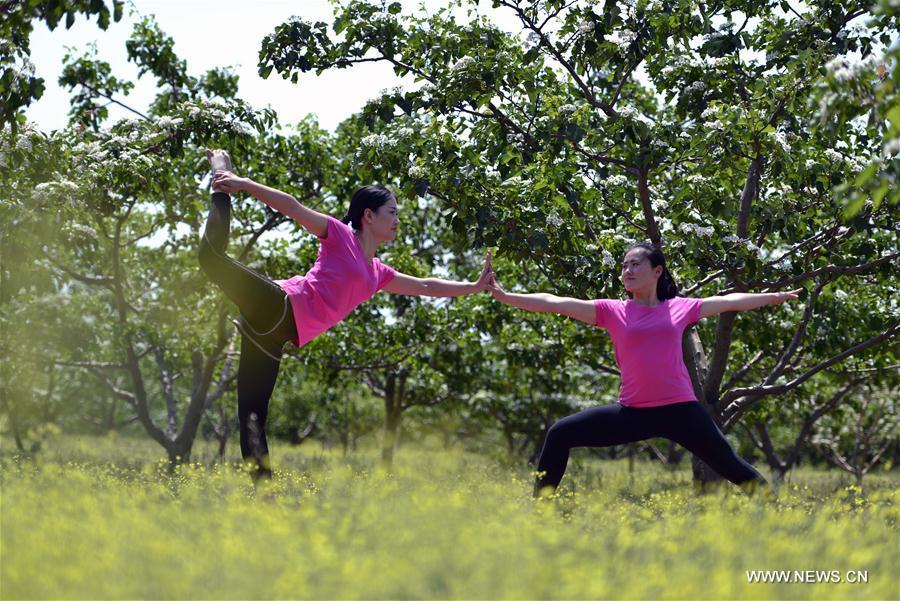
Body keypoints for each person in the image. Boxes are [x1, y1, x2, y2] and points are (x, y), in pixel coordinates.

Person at [198, 149, 492, 480]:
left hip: (276, 335)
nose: (398, 220)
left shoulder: (377, 272)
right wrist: (243, 183)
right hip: (277, 304)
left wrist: (474, 286)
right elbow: (293, 207)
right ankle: (220, 180)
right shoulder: (340, 235)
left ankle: (267, 501)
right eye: (392, 212)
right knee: (211, 257)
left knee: (252, 419)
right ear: (369, 215)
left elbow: (426, 285)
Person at [485, 242, 802, 496]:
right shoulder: (612, 311)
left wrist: (772, 297)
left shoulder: (680, 307)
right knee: (560, 433)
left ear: (657, 271)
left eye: (635, 264)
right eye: (624, 265)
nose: (627, 270)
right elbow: (555, 302)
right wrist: (505, 295)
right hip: (633, 413)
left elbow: (729, 301)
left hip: (681, 411)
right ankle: (541, 513)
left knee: (733, 468)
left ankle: (780, 514)